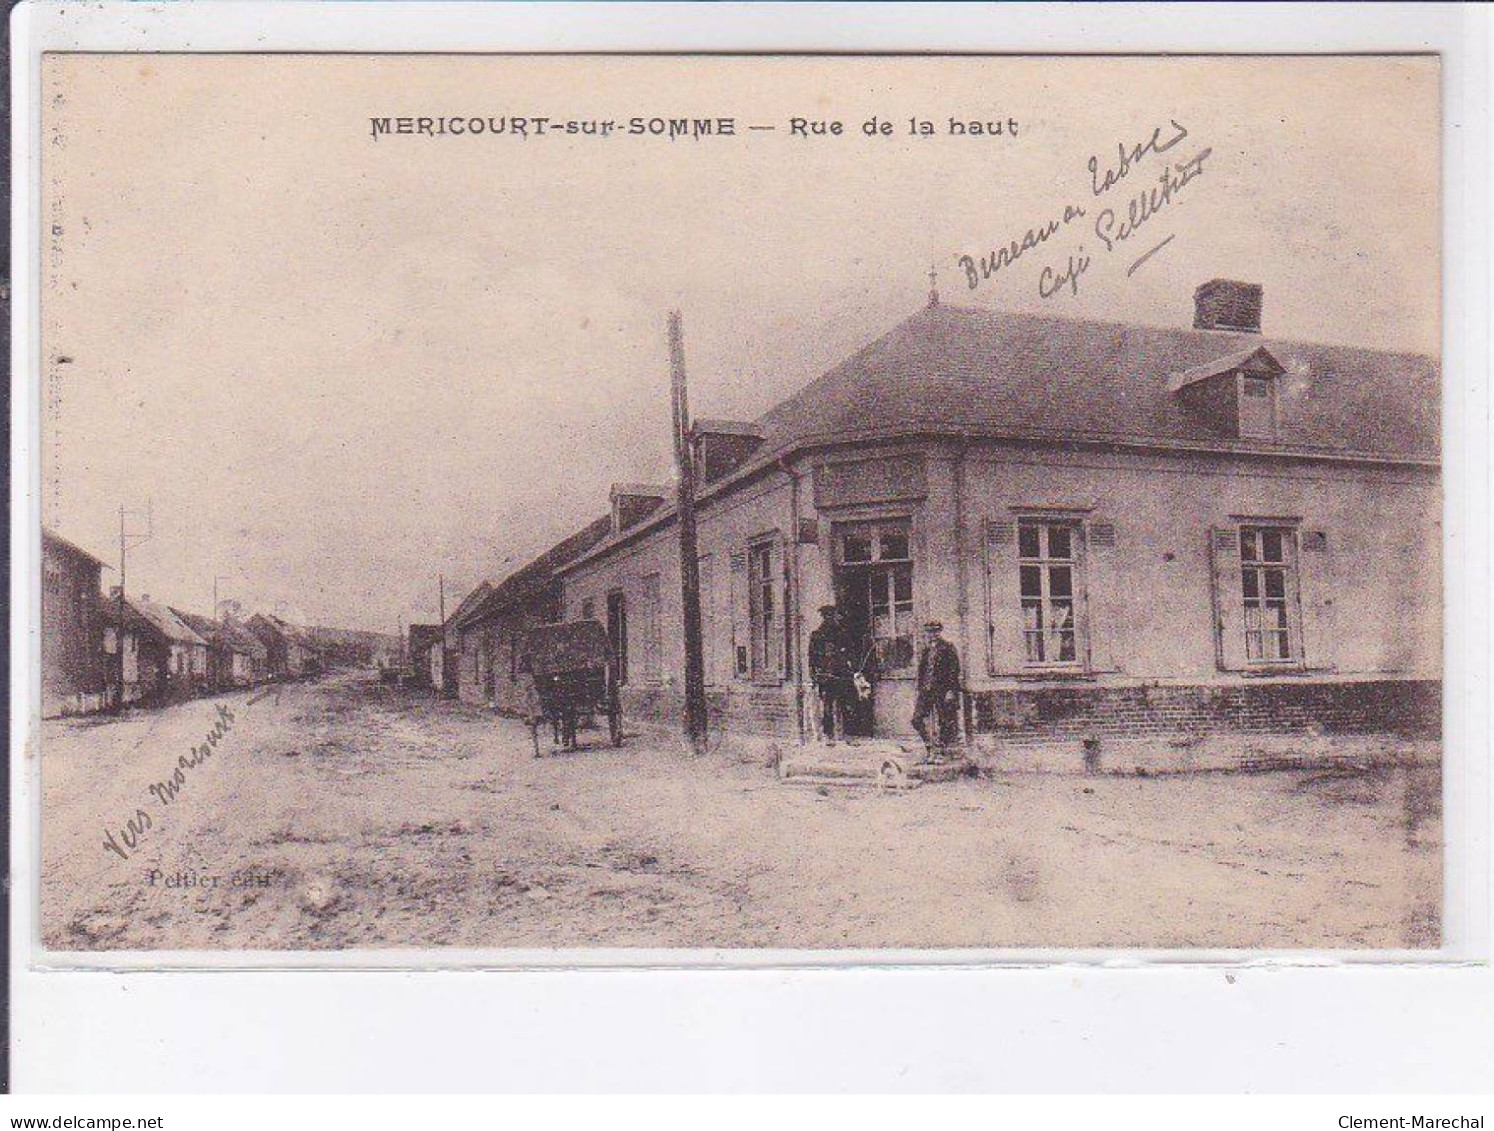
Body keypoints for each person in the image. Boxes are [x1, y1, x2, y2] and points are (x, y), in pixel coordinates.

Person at [912, 620, 962, 758]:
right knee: (916, 719)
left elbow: (954, 670)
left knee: (944, 721)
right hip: (926, 690)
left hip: (942, 690)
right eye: (929, 632)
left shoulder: (948, 647)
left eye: (935, 631)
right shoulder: (926, 649)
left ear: (940, 632)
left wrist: (951, 691)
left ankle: (941, 748)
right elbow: (922, 670)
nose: (932, 634)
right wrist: (919, 687)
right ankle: (929, 743)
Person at [807, 604, 855, 744]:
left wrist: (849, 667)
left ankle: (843, 732)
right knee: (827, 706)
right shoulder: (817, 635)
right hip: (825, 676)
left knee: (845, 702)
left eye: (832, 615)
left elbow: (849, 653)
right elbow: (812, 657)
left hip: (841, 673)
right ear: (824, 617)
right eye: (827, 616)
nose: (831, 618)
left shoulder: (841, 633)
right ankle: (829, 735)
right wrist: (814, 675)